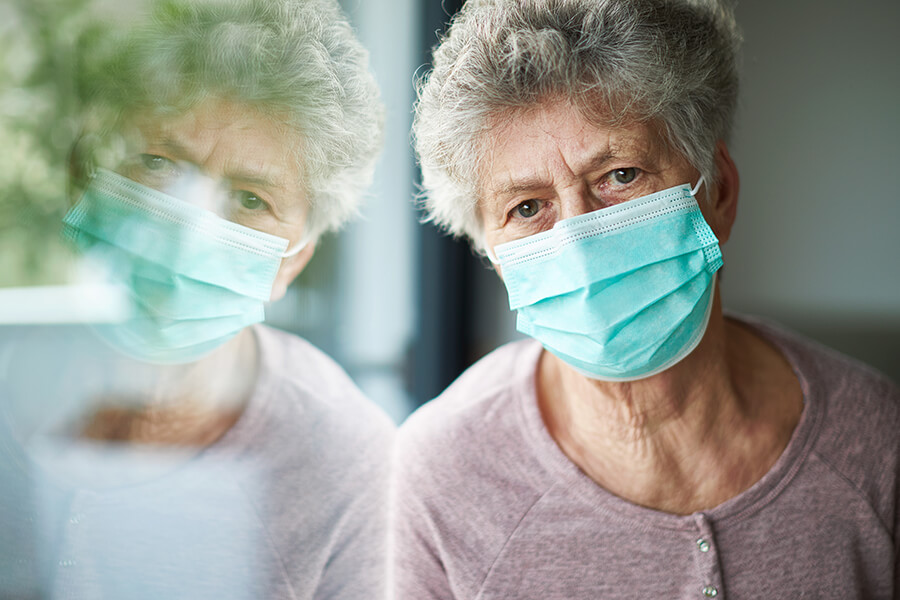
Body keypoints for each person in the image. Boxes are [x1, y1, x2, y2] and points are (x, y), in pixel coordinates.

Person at [394, 0, 900, 597]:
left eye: (621, 175)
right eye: (527, 208)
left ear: (720, 193)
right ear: (493, 257)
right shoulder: (440, 475)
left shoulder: (876, 443)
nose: (578, 242)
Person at [0, 1, 392, 598]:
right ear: (85, 172)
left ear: (294, 261)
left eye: (251, 199)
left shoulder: (347, 462)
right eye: (159, 163)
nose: (189, 227)